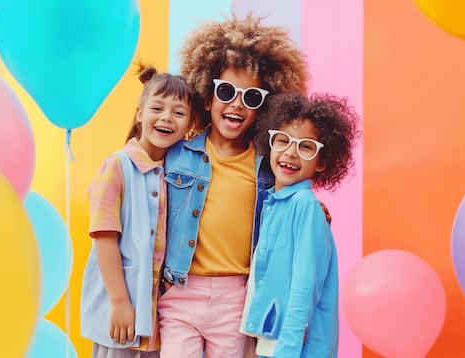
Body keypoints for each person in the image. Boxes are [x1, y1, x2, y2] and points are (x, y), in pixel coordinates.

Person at [157, 13, 312, 358]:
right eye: (226, 91)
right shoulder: (176, 155)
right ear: (207, 98)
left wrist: (316, 210)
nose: (237, 103)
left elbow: (288, 206)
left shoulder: (268, 169)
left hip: (236, 298)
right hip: (181, 291)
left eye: (252, 97)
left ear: (264, 110)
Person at [80, 65, 194, 358]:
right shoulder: (117, 166)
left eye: (178, 113)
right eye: (157, 108)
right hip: (119, 311)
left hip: (159, 316)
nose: (167, 117)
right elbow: (104, 235)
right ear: (140, 113)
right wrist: (119, 301)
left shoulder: (181, 172)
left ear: (189, 124)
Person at [240, 92, 360, 358]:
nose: (291, 152)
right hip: (273, 346)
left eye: (306, 146)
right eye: (282, 140)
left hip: (293, 350)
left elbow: (304, 289)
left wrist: (287, 351)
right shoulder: (275, 203)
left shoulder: (305, 207)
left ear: (322, 162)